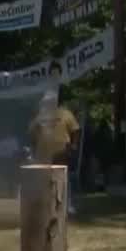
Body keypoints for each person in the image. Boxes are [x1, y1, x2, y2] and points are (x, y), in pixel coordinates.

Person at [27, 62, 81, 214]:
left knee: (64, 180)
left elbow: (76, 130)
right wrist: (34, 148)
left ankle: (67, 204)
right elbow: (32, 132)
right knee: (43, 181)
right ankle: (43, 204)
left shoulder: (65, 113)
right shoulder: (41, 116)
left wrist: (74, 146)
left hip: (62, 153)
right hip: (43, 154)